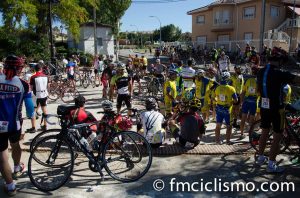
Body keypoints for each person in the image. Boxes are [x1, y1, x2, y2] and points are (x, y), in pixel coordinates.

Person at [256, 54, 300, 173]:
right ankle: (271, 164)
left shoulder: (261, 71)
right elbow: (297, 79)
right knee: (277, 136)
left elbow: (258, 88)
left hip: (264, 106)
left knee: (264, 132)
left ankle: (260, 158)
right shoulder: (279, 72)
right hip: (277, 108)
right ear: (280, 61)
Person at [0, 55, 34, 196]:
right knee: (15, 145)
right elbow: (30, 106)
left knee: (2, 156)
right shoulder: (23, 84)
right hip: (15, 123)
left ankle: (10, 187)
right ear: (18, 68)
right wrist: (33, 117)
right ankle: (16, 168)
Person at [214, 71, 238, 144]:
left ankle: (217, 141)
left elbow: (214, 98)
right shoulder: (231, 88)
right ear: (228, 79)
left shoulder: (217, 88)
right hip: (227, 110)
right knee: (229, 126)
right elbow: (236, 100)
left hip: (219, 109)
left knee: (218, 125)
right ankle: (227, 141)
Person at [240, 66, 259, 139]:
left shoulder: (247, 80)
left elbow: (243, 92)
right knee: (251, 119)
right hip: (254, 102)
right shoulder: (258, 81)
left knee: (243, 118)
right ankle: (251, 135)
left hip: (246, 101)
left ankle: (241, 134)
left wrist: (241, 102)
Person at [29, 63, 49, 131]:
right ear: (41, 69)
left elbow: (31, 88)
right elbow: (48, 86)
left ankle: (33, 127)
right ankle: (45, 125)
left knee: (33, 110)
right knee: (44, 109)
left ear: (35, 69)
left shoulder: (33, 77)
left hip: (36, 95)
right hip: (44, 94)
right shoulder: (46, 76)